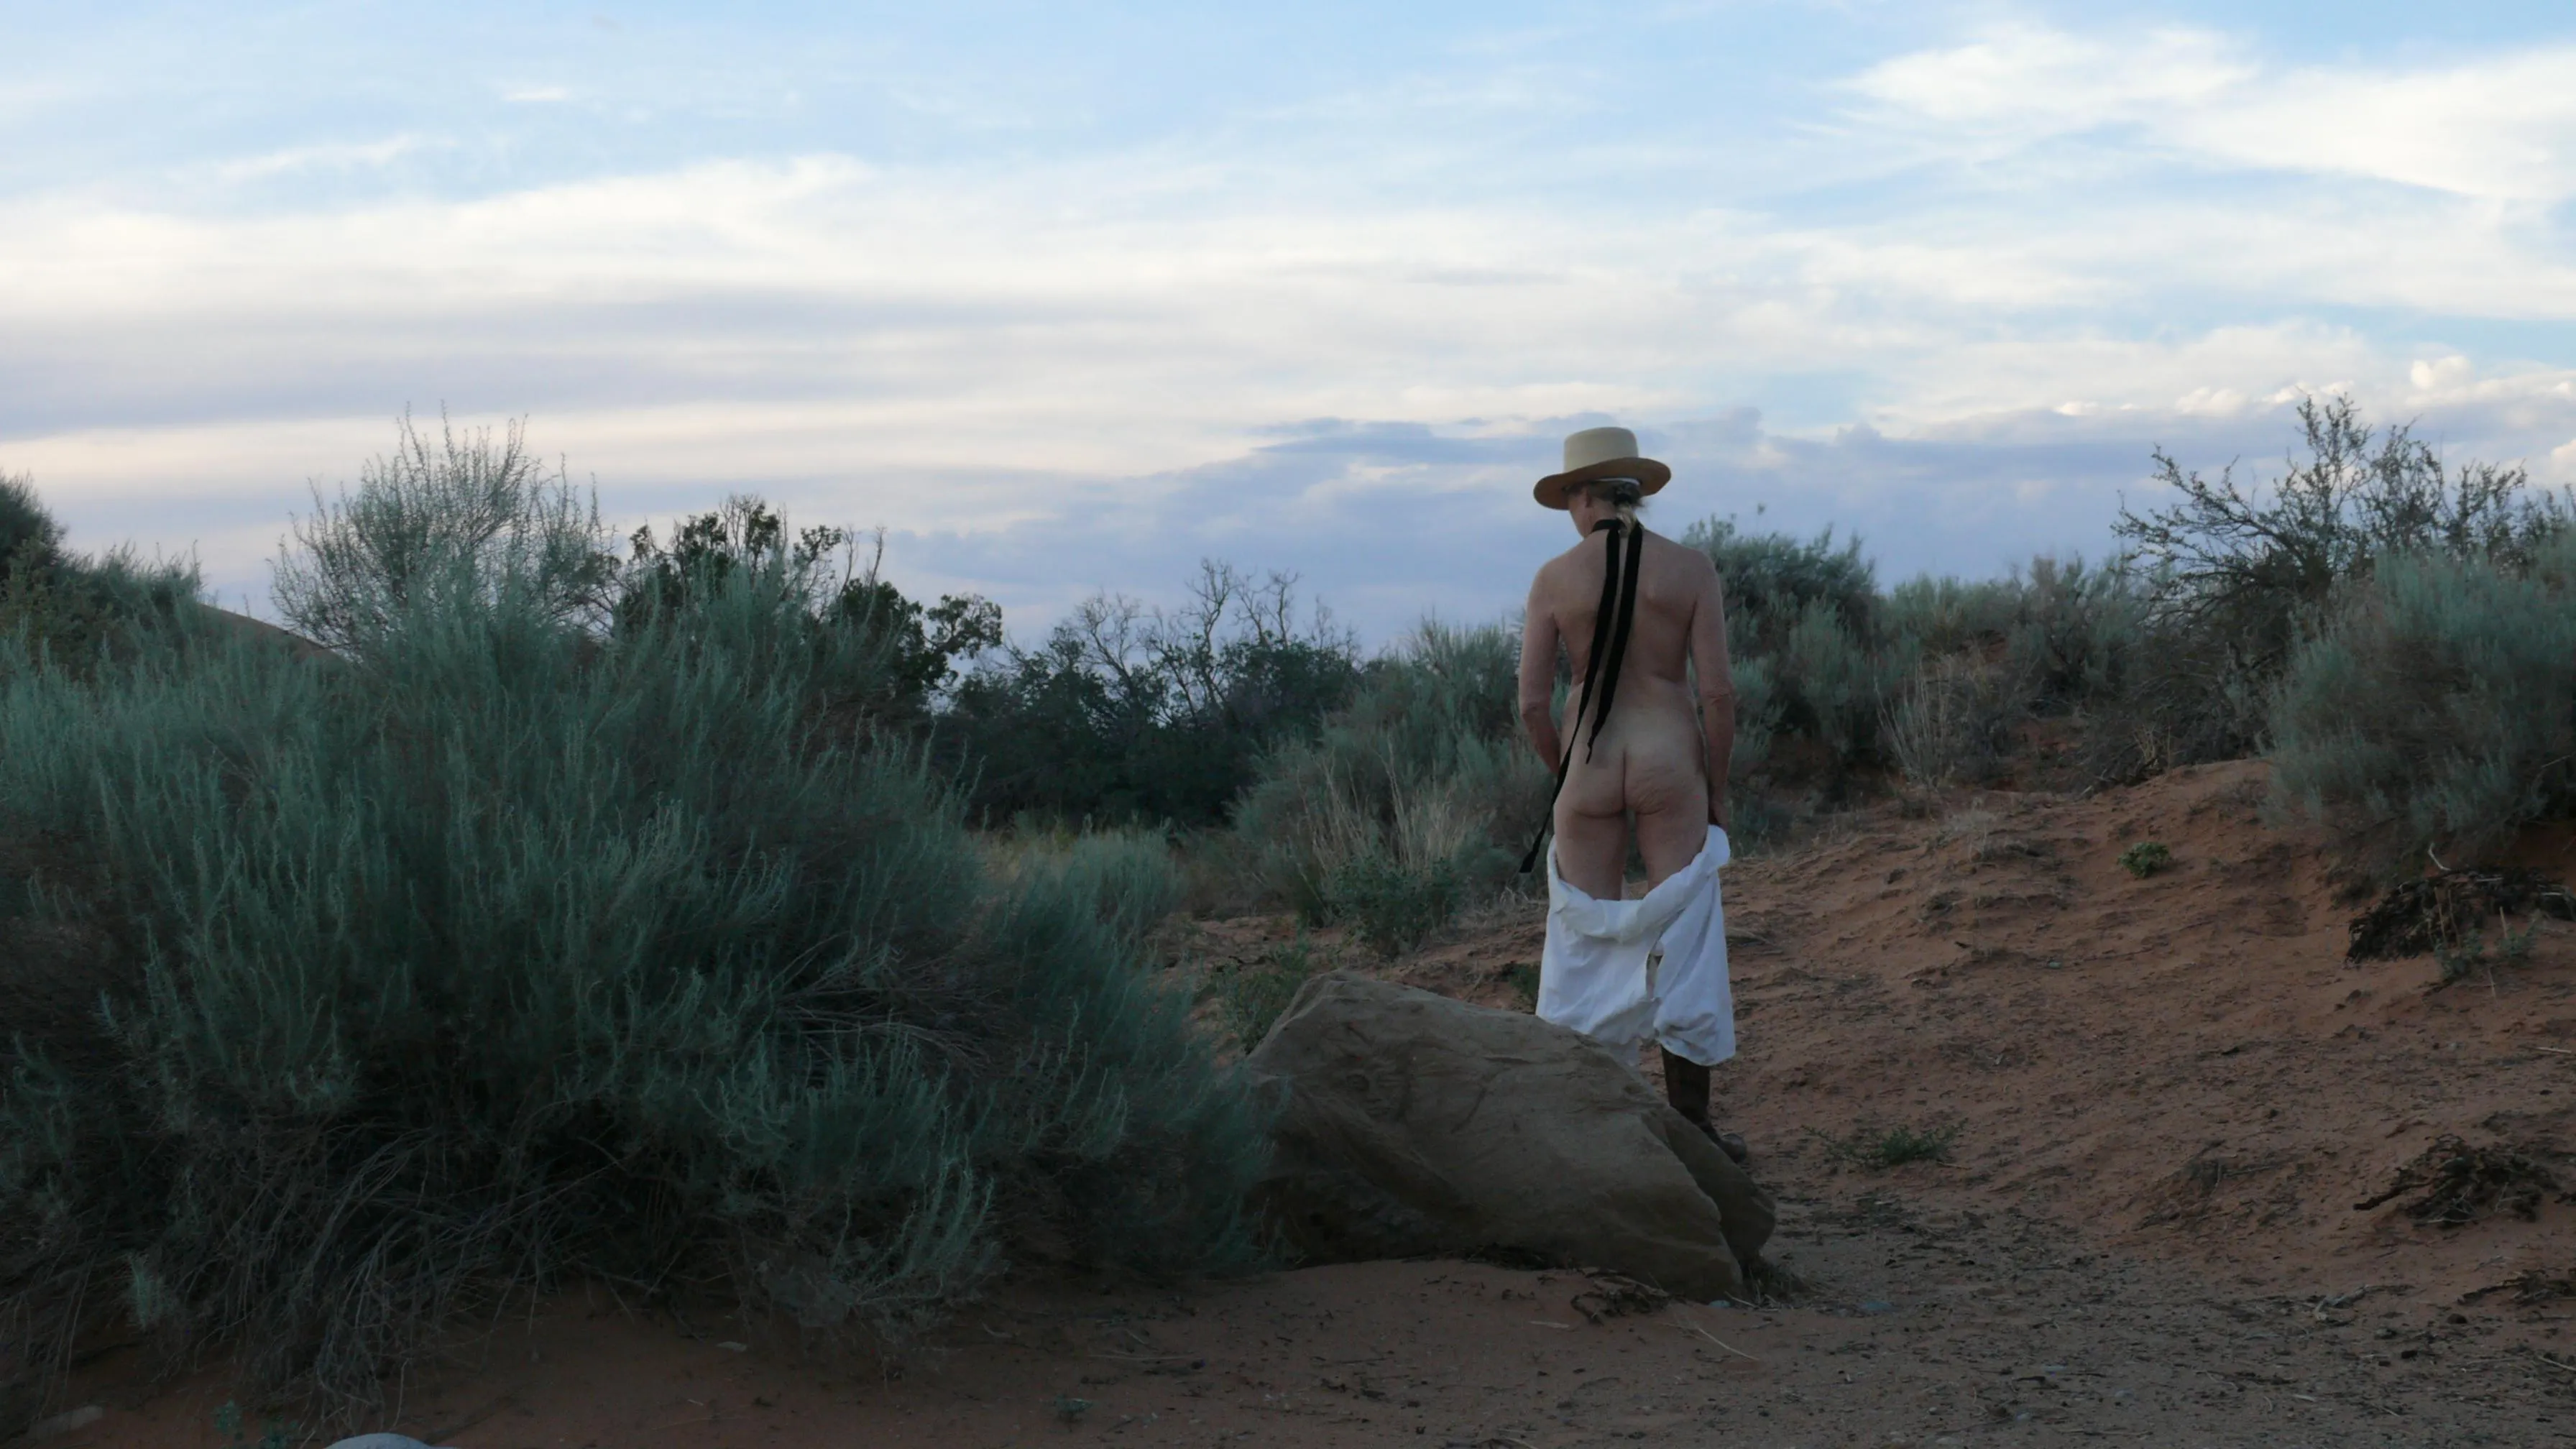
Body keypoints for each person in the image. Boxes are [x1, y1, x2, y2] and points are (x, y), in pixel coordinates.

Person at [1516, 425, 1745, 1162]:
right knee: (1685, 938)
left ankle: (1587, 1127)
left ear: (1583, 497)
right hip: (1667, 762)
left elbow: (1528, 705)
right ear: (1633, 493)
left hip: (1585, 767)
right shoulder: (1689, 569)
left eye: (1570, 503)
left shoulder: (1554, 578)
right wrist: (1714, 790)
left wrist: (1563, 771)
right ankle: (1691, 1128)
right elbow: (1717, 693)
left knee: (1582, 946)